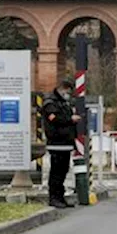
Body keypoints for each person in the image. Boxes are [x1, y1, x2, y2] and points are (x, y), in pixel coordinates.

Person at [40, 79, 81, 208]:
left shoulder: (63, 103)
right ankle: (54, 197)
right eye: (67, 91)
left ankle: (60, 197)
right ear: (61, 89)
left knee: (63, 171)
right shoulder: (50, 103)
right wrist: (70, 119)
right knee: (56, 172)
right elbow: (54, 119)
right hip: (56, 142)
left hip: (65, 143)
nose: (68, 94)